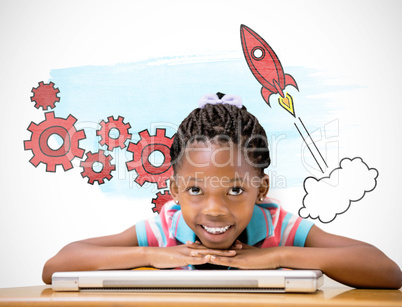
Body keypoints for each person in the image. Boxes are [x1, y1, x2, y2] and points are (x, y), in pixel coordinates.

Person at [42, 93, 402, 289]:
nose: (213, 210)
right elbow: (56, 265)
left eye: (234, 190)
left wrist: (278, 256)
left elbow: (387, 272)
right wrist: (149, 255)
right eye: (196, 189)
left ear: (261, 190)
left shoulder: (279, 229)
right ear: (175, 190)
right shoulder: (165, 231)